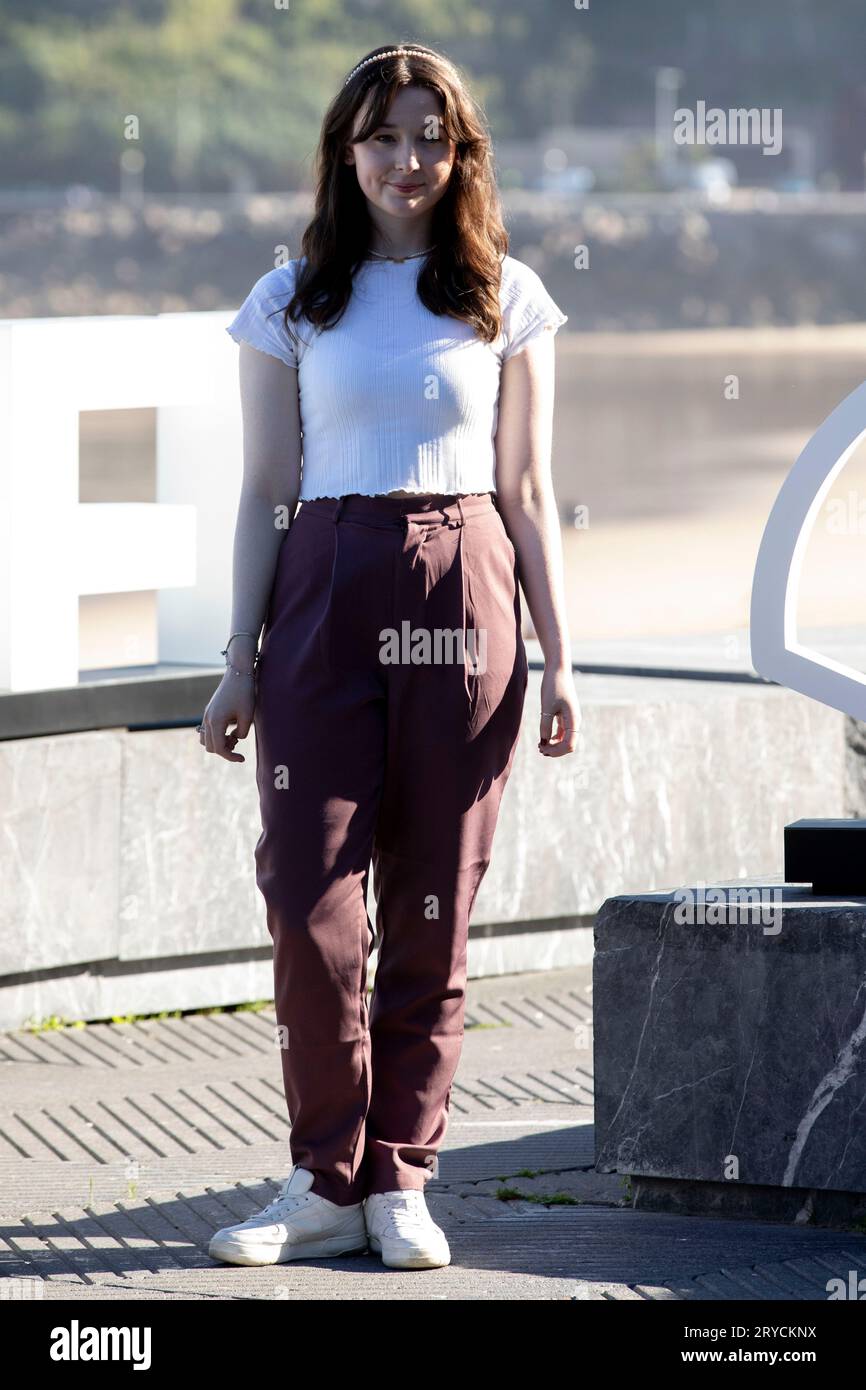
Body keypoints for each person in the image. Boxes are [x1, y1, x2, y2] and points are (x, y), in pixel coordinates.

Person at [200, 42, 580, 1271]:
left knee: (432, 904)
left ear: (459, 151)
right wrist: (238, 660)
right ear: (343, 151)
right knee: (306, 899)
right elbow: (265, 486)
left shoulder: (502, 296)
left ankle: (401, 1178)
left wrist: (562, 659)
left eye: (429, 136)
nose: (405, 160)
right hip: (320, 588)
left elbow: (524, 486)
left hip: (466, 590)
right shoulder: (292, 298)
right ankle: (323, 1179)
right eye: (380, 136)